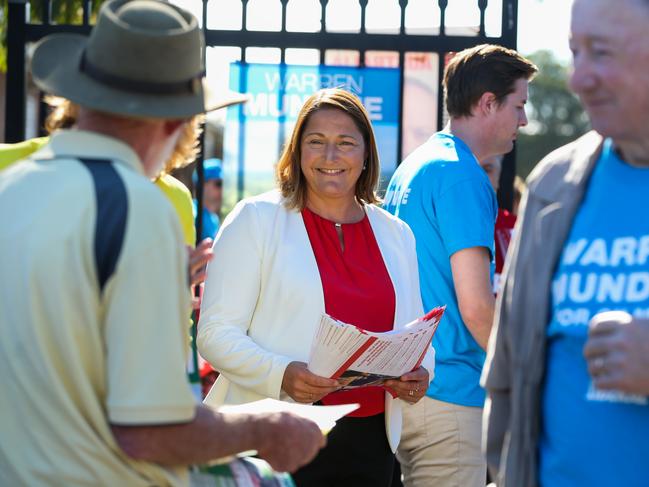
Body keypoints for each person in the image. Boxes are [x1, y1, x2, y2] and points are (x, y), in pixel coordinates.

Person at [0, 1, 325, 485]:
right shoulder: (135, 206)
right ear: (177, 123)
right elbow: (151, 431)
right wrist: (269, 425)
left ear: (78, 98)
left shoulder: (13, 189)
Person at [197, 87, 434, 487]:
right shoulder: (255, 219)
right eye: (316, 143)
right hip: (274, 437)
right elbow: (214, 334)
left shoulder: (396, 234)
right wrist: (282, 373)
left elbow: (418, 334)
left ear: (365, 155)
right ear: (297, 151)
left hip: (371, 443)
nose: (330, 157)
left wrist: (421, 373)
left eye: (345, 143)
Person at [482, 0, 649, 486]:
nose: (579, 78)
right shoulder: (555, 184)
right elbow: (508, 368)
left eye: (601, 52)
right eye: (576, 52)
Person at [383, 44, 537, 486]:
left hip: (410, 387)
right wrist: (523, 377)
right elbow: (476, 307)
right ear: (488, 102)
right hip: (451, 395)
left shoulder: (417, 165)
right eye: (519, 105)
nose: (523, 121)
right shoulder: (463, 174)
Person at [480, 154, 518, 294]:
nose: (476, 176)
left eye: (486, 169)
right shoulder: (443, 227)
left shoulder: (514, 228)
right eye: (471, 169)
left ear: (499, 174)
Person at [193, 157, 224, 240]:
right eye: (219, 184)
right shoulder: (192, 214)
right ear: (202, 184)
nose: (222, 189)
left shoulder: (214, 218)